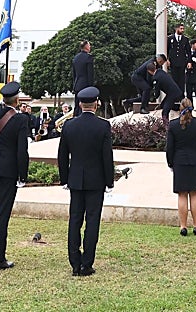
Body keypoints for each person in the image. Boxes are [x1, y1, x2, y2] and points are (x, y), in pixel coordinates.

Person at [58, 86, 115, 277]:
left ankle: (74, 262)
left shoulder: (69, 125)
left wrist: (64, 179)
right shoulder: (103, 125)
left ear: (80, 104)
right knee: (92, 221)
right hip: (96, 180)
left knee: (74, 220)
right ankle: (87, 263)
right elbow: (107, 157)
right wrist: (110, 182)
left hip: (75, 179)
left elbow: (62, 156)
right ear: (96, 103)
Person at [0, 81, 30, 271]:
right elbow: (22, 150)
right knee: (3, 214)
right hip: (8, 169)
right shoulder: (20, 119)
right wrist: (23, 175)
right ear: (17, 99)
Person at [166, 101, 196, 235]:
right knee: (194, 194)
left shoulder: (173, 125)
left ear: (180, 109)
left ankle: (183, 226)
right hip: (195, 162)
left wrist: (170, 163)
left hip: (179, 162)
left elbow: (170, 147)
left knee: (182, 194)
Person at [149, 59, 184, 124]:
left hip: (172, 94)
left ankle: (166, 126)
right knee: (163, 105)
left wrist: (152, 98)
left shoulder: (156, 78)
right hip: (175, 92)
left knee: (165, 111)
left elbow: (157, 93)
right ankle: (178, 107)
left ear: (149, 71)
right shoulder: (160, 71)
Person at [71, 40, 95, 116]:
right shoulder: (89, 57)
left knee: (77, 106)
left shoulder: (76, 58)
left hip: (77, 85)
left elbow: (74, 74)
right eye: (89, 45)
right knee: (85, 107)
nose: (90, 47)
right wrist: (91, 88)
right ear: (86, 47)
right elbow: (90, 74)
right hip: (85, 86)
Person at [166, 24, 191, 91]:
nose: (182, 30)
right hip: (173, 62)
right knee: (173, 79)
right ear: (176, 29)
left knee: (181, 80)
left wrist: (189, 62)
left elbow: (188, 52)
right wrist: (167, 59)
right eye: (181, 28)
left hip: (182, 62)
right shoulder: (170, 38)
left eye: (183, 29)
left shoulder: (185, 39)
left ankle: (181, 97)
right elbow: (167, 50)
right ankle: (174, 96)